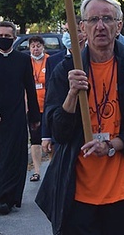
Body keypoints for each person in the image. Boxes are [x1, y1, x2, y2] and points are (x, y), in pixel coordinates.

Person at [35, 0, 124, 235]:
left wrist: (114, 144)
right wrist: (71, 95)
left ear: (119, 26)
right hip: (78, 192)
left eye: (107, 19)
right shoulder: (66, 71)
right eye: (93, 20)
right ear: (82, 27)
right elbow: (58, 132)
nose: (100, 26)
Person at [0, 20, 40, 215]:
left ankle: (5, 200)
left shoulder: (22, 60)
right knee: (1, 158)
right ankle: (8, 195)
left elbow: (30, 88)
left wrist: (35, 116)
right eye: (0, 36)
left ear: (14, 38)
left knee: (14, 158)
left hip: (15, 117)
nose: (3, 39)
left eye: (7, 37)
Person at [42, 19, 87, 155]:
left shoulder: (93, 58)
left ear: (84, 33)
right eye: (66, 31)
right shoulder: (53, 61)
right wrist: (46, 135)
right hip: (60, 126)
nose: (69, 34)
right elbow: (49, 98)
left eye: (75, 31)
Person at [28, 35, 50, 182]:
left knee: (50, 139)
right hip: (33, 107)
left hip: (48, 105)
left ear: (43, 47)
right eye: (33, 46)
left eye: (38, 46)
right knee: (35, 140)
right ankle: (36, 171)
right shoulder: (26, 62)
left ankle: (53, 168)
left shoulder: (49, 60)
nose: (36, 49)